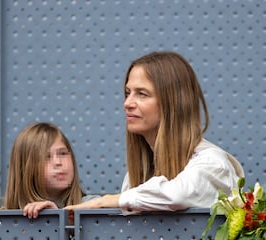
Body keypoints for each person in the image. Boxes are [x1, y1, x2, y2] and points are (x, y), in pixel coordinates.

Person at [66, 51, 245, 214]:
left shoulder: (213, 163)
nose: (127, 103)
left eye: (142, 94)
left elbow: (177, 195)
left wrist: (104, 202)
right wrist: (56, 209)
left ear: (173, 103)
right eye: (128, 93)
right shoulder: (138, 174)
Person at [0, 122, 96, 219]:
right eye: (46, 157)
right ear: (25, 169)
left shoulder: (93, 207)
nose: (58, 162)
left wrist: (57, 217)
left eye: (63, 153)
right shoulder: (3, 220)